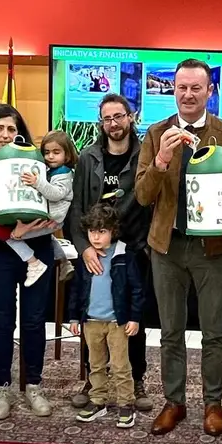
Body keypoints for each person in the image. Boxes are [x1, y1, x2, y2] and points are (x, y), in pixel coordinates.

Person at [134, 58, 222, 437]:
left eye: (196, 87)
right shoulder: (156, 134)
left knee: (213, 331)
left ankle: (213, 403)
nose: (188, 94)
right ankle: (174, 402)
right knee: (170, 330)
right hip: (167, 247)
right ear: (173, 90)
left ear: (210, 91)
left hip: (213, 249)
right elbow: (142, 196)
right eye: (181, 87)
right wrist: (160, 161)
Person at [0, 104, 57, 420]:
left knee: (34, 320)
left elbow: (53, 198)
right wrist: (10, 232)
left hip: (38, 247)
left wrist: (51, 221)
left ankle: (34, 385)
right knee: (2, 319)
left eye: (11, 129)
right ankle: (2, 385)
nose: (5, 135)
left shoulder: (35, 160)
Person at [65, 94, 155, 412]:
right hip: (96, 251)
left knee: (131, 317)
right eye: (107, 118)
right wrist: (84, 248)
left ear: (131, 118)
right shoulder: (88, 158)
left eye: (119, 116)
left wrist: (142, 247)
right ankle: (94, 379)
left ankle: (137, 379)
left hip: (133, 251)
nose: (114, 124)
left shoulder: (146, 154)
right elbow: (76, 208)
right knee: (94, 316)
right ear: (100, 123)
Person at [67, 203, 144, 428]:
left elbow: (137, 289)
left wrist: (134, 317)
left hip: (116, 323)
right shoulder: (85, 258)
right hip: (91, 322)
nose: (96, 236)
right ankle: (98, 400)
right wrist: (73, 317)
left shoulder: (124, 256)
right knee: (96, 364)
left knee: (121, 365)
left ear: (113, 231)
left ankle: (126, 404)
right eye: (92, 231)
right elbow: (77, 289)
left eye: (102, 231)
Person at [8, 131, 75, 286]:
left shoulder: (64, 174)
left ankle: (33, 263)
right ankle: (65, 263)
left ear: (67, 155)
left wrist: (37, 182)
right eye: (47, 152)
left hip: (52, 218)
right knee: (50, 238)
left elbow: (56, 194)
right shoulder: (53, 171)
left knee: (12, 237)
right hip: (49, 217)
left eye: (56, 152)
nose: (50, 156)